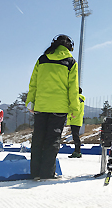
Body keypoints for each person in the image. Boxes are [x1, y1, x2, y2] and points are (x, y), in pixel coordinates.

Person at [25, 34, 80, 180]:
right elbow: (73, 89)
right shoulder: (71, 62)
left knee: (38, 139)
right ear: (70, 47)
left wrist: (30, 101)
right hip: (59, 108)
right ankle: (47, 173)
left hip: (41, 106)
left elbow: (33, 83)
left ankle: (35, 173)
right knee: (52, 140)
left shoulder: (42, 59)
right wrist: (74, 108)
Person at [67, 87, 85, 158]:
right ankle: (77, 151)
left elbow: (75, 108)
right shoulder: (81, 99)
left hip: (75, 120)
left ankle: (77, 151)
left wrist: (71, 115)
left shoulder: (77, 99)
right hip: (78, 120)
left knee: (75, 136)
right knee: (75, 136)